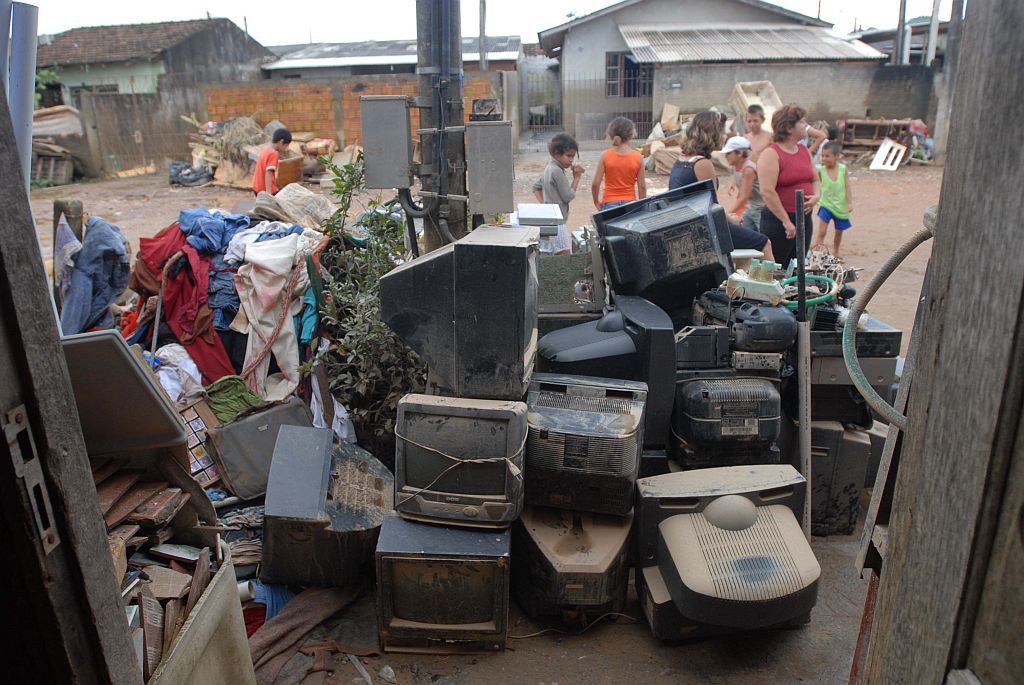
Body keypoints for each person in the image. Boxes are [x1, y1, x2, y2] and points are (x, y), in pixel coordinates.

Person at [668, 111, 774, 262]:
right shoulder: (702, 163)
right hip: (702, 228)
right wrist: (731, 220)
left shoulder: (684, 158)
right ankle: (771, 284)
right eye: (722, 131)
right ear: (713, 134)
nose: (724, 136)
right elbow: (711, 205)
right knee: (764, 243)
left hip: (688, 225)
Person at [757, 104, 820, 266]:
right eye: (801, 122)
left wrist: (816, 196)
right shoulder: (771, 154)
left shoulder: (803, 150)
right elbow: (767, 191)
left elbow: (815, 178)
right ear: (789, 127)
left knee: (798, 266)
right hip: (779, 222)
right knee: (777, 267)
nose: (805, 126)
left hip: (804, 218)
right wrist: (786, 222)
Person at [532, 133, 585, 255]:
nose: (571, 160)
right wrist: (577, 178)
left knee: (554, 256)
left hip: (551, 219)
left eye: (573, 156)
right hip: (558, 222)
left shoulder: (549, 167)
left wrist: (546, 206)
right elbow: (568, 196)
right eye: (568, 156)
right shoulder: (557, 171)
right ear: (556, 154)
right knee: (565, 256)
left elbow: (536, 187)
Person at [591, 116, 646, 210]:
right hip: (630, 203)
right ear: (631, 134)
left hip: (609, 203)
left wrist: (596, 201)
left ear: (611, 134)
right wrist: (642, 206)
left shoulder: (605, 155)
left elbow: (595, 184)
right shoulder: (638, 157)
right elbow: (642, 187)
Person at [812, 141, 853, 258]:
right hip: (826, 204)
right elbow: (815, 184)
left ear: (836, 156)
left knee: (839, 231)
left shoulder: (842, 169)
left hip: (841, 206)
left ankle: (836, 251)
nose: (824, 158)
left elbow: (847, 186)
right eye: (822, 156)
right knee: (822, 231)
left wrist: (849, 202)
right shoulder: (821, 171)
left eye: (827, 156)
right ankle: (816, 253)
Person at [721, 136, 764, 231]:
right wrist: (731, 182)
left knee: (764, 236)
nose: (726, 156)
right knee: (746, 232)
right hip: (751, 207)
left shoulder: (748, 169)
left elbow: (745, 196)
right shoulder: (735, 166)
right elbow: (734, 174)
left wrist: (726, 214)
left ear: (739, 153)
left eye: (728, 153)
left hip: (760, 208)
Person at [252, 128, 292, 196]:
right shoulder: (273, 153)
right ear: (281, 142)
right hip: (265, 189)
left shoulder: (266, 150)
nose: (286, 149)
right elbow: (269, 173)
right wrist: (269, 193)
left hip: (257, 187)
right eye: (286, 146)